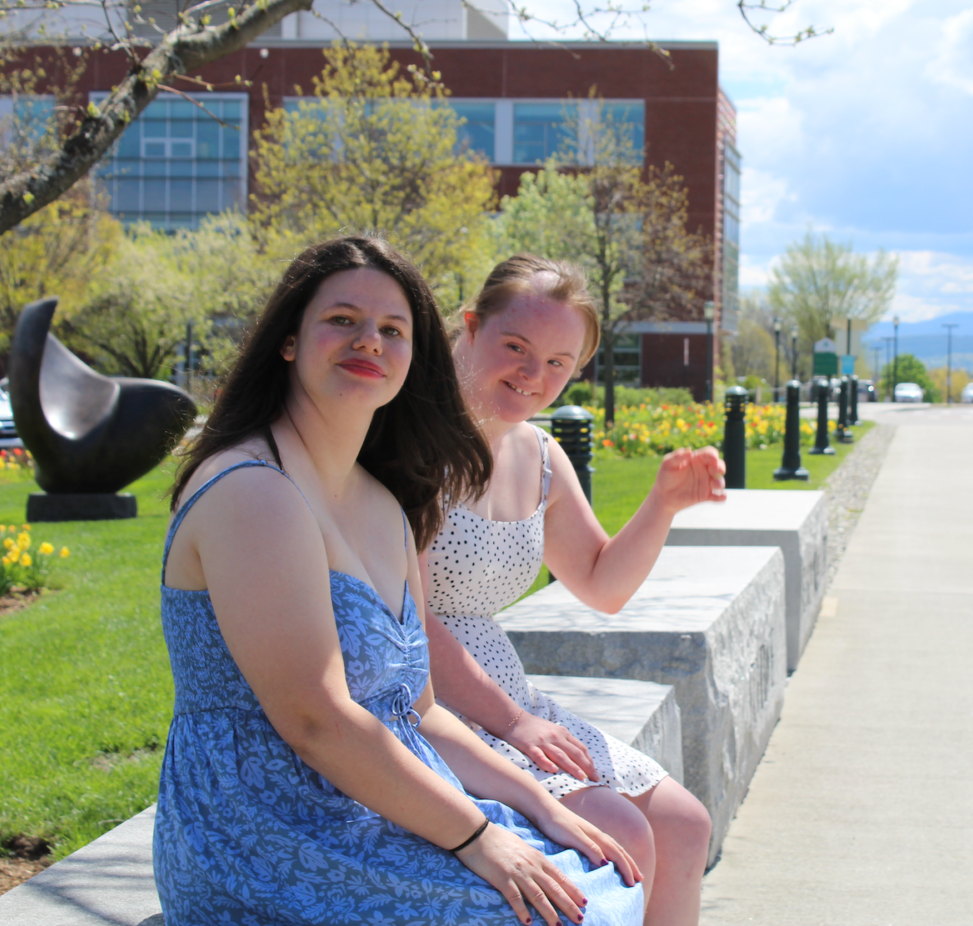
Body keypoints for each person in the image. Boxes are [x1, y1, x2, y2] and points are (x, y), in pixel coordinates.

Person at [154, 237, 645, 926]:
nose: (369, 341)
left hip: (375, 799)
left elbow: (420, 711)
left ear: (415, 357)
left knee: (603, 876)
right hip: (264, 834)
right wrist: (478, 837)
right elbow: (315, 720)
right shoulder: (252, 489)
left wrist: (538, 800)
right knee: (558, 914)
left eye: (393, 329)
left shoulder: (382, 504)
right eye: (343, 320)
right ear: (290, 340)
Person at [422, 255, 726, 926]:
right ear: (471, 328)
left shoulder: (540, 454)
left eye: (559, 363)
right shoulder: (409, 447)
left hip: (507, 695)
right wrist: (514, 723)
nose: (535, 375)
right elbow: (408, 621)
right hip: (432, 700)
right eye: (516, 348)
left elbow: (600, 583)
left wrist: (663, 503)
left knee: (684, 822)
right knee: (622, 836)